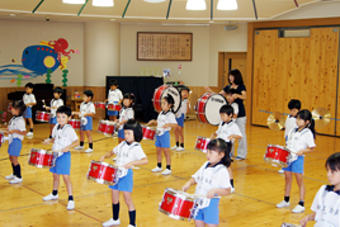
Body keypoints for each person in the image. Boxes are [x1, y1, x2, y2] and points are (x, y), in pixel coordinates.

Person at [101, 119, 148, 227]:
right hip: (115, 174)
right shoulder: (122, 144)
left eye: (129, 133)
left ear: (135, 134)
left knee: (127, 199)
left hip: (126, 175)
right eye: (125, 132)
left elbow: (145, 160)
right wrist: (104, 156)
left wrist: (132, 163)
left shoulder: (136, 147)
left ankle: (132, 223)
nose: (126, 135)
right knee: (114, 197)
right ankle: (115, 219)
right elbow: (112, 152)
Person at [182, 139, 232, 227]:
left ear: (221, 155)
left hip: (210, 204)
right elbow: (196, 177)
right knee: (198, 224)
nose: (207, 155)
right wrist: (189, 183)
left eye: (211, 153)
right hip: (198, 201)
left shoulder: (222, 170)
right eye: (207, 152)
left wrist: (215, 190)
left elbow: (228, 190)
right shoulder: (206, 164)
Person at [276, 109, 316, 213]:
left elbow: (312, 148)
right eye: (297, 119)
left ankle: (301, 203)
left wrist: (303, 151)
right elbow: (288, 142)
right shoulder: (293, 130)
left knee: (299, 181)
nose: (298, 121)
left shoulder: (307, 133)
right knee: (287, 179)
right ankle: (286, 200)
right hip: (288, 157)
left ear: (307, 122)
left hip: (298, 159)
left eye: (300, 119)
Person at [42, 106, 79, 210]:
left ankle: (71, 199)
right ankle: (54, 193)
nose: (60, 119)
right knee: (55, 175)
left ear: (69, 118)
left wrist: (68, 147)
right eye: (58, 117)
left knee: (66, 178)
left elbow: (76, 141)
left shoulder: (69, 129)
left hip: (64, 156)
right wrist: (49, 141)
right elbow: (55, 138)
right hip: (55, 154)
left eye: (63, 117)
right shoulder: (56, 126)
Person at [300, 152, 340, 227]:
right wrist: (307, 218)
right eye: (327, 170)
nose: (328, 174)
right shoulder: (323, 190)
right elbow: (319, 213)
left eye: (332, 172)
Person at [211, 104, 242, 193]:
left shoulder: (234, 126)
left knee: (227, 165)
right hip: (219, 144)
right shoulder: (222, 123)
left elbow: (240, 136)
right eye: (221, 115)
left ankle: (231, 185)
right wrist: (214, 134)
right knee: (217, 164)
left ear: (230, 115)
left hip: (226, 146)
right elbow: (218, 132)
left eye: (223, 115)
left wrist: (233, 135)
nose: (222, 117)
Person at [147, 95, 178, 175]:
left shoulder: (170, 115)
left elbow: (175, 125)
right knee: (158, 151)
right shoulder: (161, 113)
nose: (162, 105)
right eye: (162, 103)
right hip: (158, 134)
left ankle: (168, 167)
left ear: (169, 105)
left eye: (164, 103)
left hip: (165, 134)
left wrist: (168, 124)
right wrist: (154, 121)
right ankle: (159, 166)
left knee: (166, 151)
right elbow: (159, 123)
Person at [4, 100, 26, 184]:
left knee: (14, 159)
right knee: (11, 157)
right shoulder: (14, 118)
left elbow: (23, 132)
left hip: (16, 141)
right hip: (12, 140)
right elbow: (12, 127)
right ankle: (14, 173)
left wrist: (14, 131)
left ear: (18, 110)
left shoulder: (20, 120)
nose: (11, 109)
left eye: (12, 108)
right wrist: (9, 129)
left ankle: (19, 177)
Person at [278, 99, 301, 174]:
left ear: (298, 110)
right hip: (287, 137)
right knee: (287, 153)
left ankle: (286, 167)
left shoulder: (299, 119)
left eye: (294, 111)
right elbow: (287, 126)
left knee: (290, 153)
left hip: (293, 139)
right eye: (291, 110)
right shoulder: (288, 116)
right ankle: (287, 167)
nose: (292, 112)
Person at [172, 86, 190, 151]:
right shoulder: (177, 99)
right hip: (176, 116)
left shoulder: (186, 101)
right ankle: (177, 144)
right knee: (175, 131)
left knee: (180, 131)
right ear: (180, 93)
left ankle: (182, 145)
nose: (185, 93)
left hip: (181, 116)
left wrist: (187, 106)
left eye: (186, 92)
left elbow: (187, 111)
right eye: (183, 92)